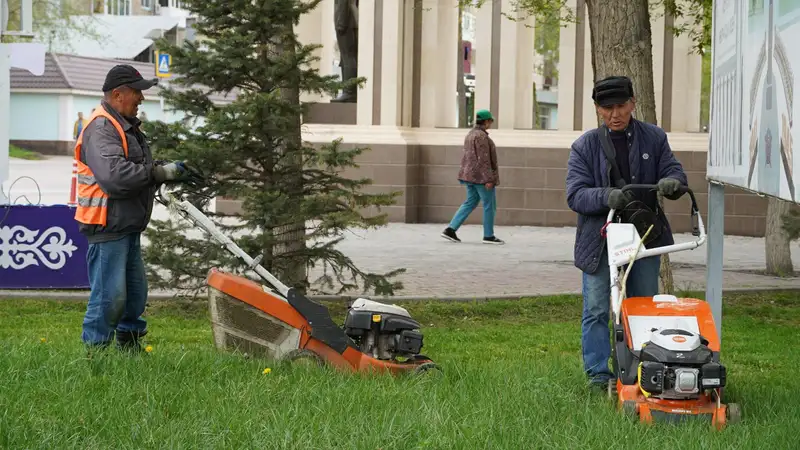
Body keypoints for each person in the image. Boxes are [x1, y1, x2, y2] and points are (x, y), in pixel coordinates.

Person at [565, 75, 688, 391]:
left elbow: (673, 171)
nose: (614, 114)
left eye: (620, 106)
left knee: (643, 306)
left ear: (633, 103)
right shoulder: (584, 146)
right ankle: (597, 374)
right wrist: (605, 197)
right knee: (595, 309)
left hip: (644, 238)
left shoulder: (654, 138)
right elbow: (575, 194)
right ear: (597, 109)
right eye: (607, 108)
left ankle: (641, 369)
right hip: (599, 241)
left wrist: (673, 184)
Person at [74, 64, 189, 354]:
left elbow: (135, 167)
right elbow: (115, 177)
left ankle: (130, 353)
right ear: (117, 94)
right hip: (107, 226)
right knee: (109, 297)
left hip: (126, 224)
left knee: (134, 297)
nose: (141, 98)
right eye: (137, 92)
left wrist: (161, 169)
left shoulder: (125, 126)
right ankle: (95, 357)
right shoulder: (101, 128)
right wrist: (159, 174)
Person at [441, 109, 504, 245]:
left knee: (470, 202)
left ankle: (450, 229)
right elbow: (483, 159)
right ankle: (488, 235)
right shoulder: (481, 137)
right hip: (480, 178)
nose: (491, 124)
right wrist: (489, 179)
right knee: (489, 205)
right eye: (490, 121)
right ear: (486, 121)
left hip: (469, 176)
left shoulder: (470, 134)